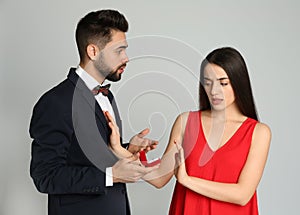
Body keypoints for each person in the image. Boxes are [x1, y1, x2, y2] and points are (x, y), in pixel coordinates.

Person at [108, 47, 271, 215]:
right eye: (208, 82)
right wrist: (120, 150)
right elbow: (158, 178)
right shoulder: (186, 122)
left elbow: (242, 195)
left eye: (223, 83)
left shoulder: (258, 132)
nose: (214, 91)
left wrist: (187, 180)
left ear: (238, 82)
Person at [29, 9, 158, 215]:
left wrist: (126, 148)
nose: (126, 58)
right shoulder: (55, 102)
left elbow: (85, 154)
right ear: (93, 52)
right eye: (119, 50)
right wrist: (111, 175)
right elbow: (45, 176)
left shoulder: (107, 96)